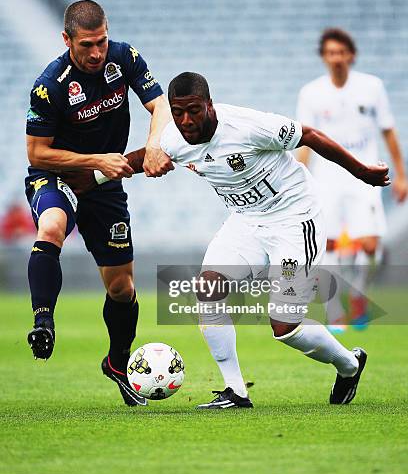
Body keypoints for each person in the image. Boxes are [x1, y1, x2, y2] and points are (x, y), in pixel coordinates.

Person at [65, 72, 390, 409]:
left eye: (194, 110)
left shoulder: (247, 126)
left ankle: (349, 365)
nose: (186, 120)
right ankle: (236, 391)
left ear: (210, 104)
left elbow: (310, 135)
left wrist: (362, 172)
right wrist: (92, 178)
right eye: (177, 112)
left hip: (294, 219)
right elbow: (143, 158)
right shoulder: (175, 138)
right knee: (208, 290)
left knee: (286, 326)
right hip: (246, 222)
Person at [25, 0, 173, 407]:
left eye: (102, 42)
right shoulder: (50, 85)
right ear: (67, 39)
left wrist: (157, 145)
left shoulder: (124, 57)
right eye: (88, 44)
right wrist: (94, 160)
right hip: (59, 176)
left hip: (105, 184)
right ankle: (43, 322)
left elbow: (159, 105)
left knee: (123, 288)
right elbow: (37, 154)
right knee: (52, 225)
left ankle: (118, 362)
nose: (97, 53)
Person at [296, 28, 408, 330]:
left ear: (351, 55)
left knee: (371, 246)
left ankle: (359, 296)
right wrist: (297, 179)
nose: (336, 59)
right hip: (328, 177)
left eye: (341, 52)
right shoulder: (311, 93)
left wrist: (401, 176)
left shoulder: (372, 87)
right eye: (330, 53)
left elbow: (388, 130)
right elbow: (304, 140)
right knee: (328, 244)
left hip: (365, 173)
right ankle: (335, 312)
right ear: (323, 57)